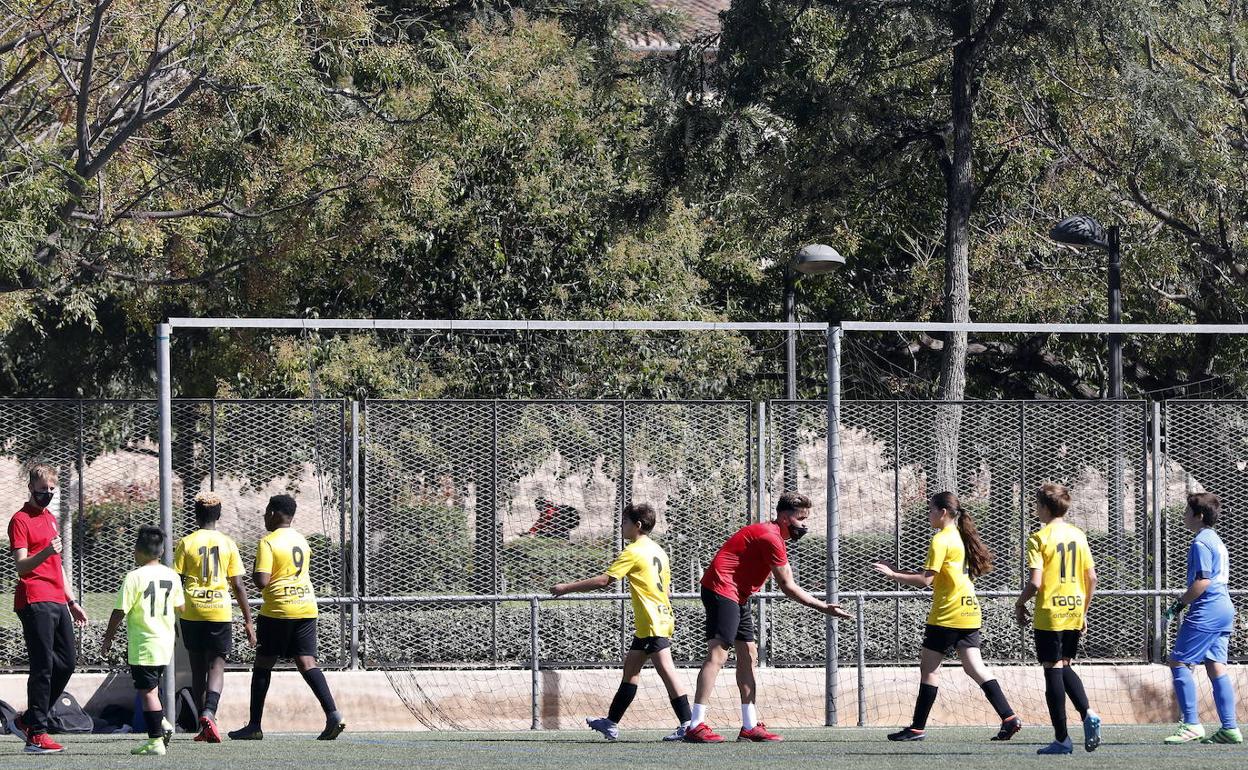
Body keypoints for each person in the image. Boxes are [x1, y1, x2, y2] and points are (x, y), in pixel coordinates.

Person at [683, 492, 851, 743]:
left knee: (748, 655)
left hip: (738, 594)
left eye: (806, 518)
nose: (805, 524)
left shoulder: (775, 537)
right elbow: (788, 586)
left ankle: (749, 727)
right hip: (721, 588)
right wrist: (823, 607)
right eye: (801, 518)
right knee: (718, 654)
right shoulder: (770, 537)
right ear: (784, 518)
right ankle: (695, 725)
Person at [872, 491, 1022, 742]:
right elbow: (936, 574)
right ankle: (1009, 717)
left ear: (943, 513)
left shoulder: (941, 539)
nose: (928, 515)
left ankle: (917, 728)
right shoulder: (960, 537)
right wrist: (898, 569)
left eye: (931, 510)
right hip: (969, 611)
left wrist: (892, 576)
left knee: (929, 670)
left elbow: (925, 580)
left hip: (947, 614)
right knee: (975, 668)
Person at [551, 503, 691, 741]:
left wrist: (565, 588)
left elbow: (605, 580)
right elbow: (665, 589)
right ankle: (611, 722)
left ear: (637, 526)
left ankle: (689, 723)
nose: (621, 526)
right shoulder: (658, 550)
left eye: (625, 522)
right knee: (631, 670)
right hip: (659, 616)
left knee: (667, 672)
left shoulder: (634, 551)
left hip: (651, 622)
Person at [228, 494, 345, 741]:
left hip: (279, 610)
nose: (264, 516)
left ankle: (254, 726)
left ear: (274, 513)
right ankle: (333, 714)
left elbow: (262, 581)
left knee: (262, 665)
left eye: (266, 511)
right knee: (307, 663)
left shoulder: (268, 542)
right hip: (306, 607)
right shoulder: (301, 541)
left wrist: (250, 574)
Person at [6, 465, 89, 754]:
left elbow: (59, 567)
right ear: (31, 487)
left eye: (52, 489)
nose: (48, 494)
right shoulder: (20, 519)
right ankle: (36, 735)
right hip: (33, 598)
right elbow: (21, 565)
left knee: (66, 663)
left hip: (56, 599)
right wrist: (45, 552)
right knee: (43, 666)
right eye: (43, 489)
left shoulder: (51, 519)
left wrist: (72, 601)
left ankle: (29, 719)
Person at [1014, 483, 1101, 755]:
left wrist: (1019, 603)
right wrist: (1084, 611)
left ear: (1043, 507)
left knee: (1051, 669)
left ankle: (1062, 739)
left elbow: (1036, 583)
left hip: (1050, 613)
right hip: (1074, 609)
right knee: (1064, 665)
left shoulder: (1039, 538)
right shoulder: (1078, 535)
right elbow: (1092, 578)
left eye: (1037, 504)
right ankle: (1087, 713)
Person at [173, 492, 256, 742]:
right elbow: (239, 585)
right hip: (219, 610)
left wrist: (173, 613)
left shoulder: (186, 543)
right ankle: (210, 712)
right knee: (217, 666)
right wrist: (249, 620)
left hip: (192, 611)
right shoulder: (228, 543)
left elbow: (177, 581)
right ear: (218, 515)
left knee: (197, 668)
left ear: (195, 515)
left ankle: (203, 726)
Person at [1162, 492, 1241, 745]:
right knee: (1215, 666)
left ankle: (1192, 724)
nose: (1184, 515)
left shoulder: (1200, 542)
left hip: (1208, 608)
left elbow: (1203, 581)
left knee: (1178, 662)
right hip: (1224, 607)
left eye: (1187, 511)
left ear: (1199, 516)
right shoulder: (1216, 540)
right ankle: (1229, 728)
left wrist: (1177, 605)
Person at [100, 526, 185, 756]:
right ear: (162, 550)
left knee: (147, 692)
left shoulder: (134, 577)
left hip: (144, 644)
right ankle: (163, 724)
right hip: (165, 643)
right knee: (151, 689)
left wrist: (107, 639)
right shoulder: (172, 576)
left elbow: (119, 612)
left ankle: (156, 740)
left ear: (138, 550)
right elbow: (181, 607)